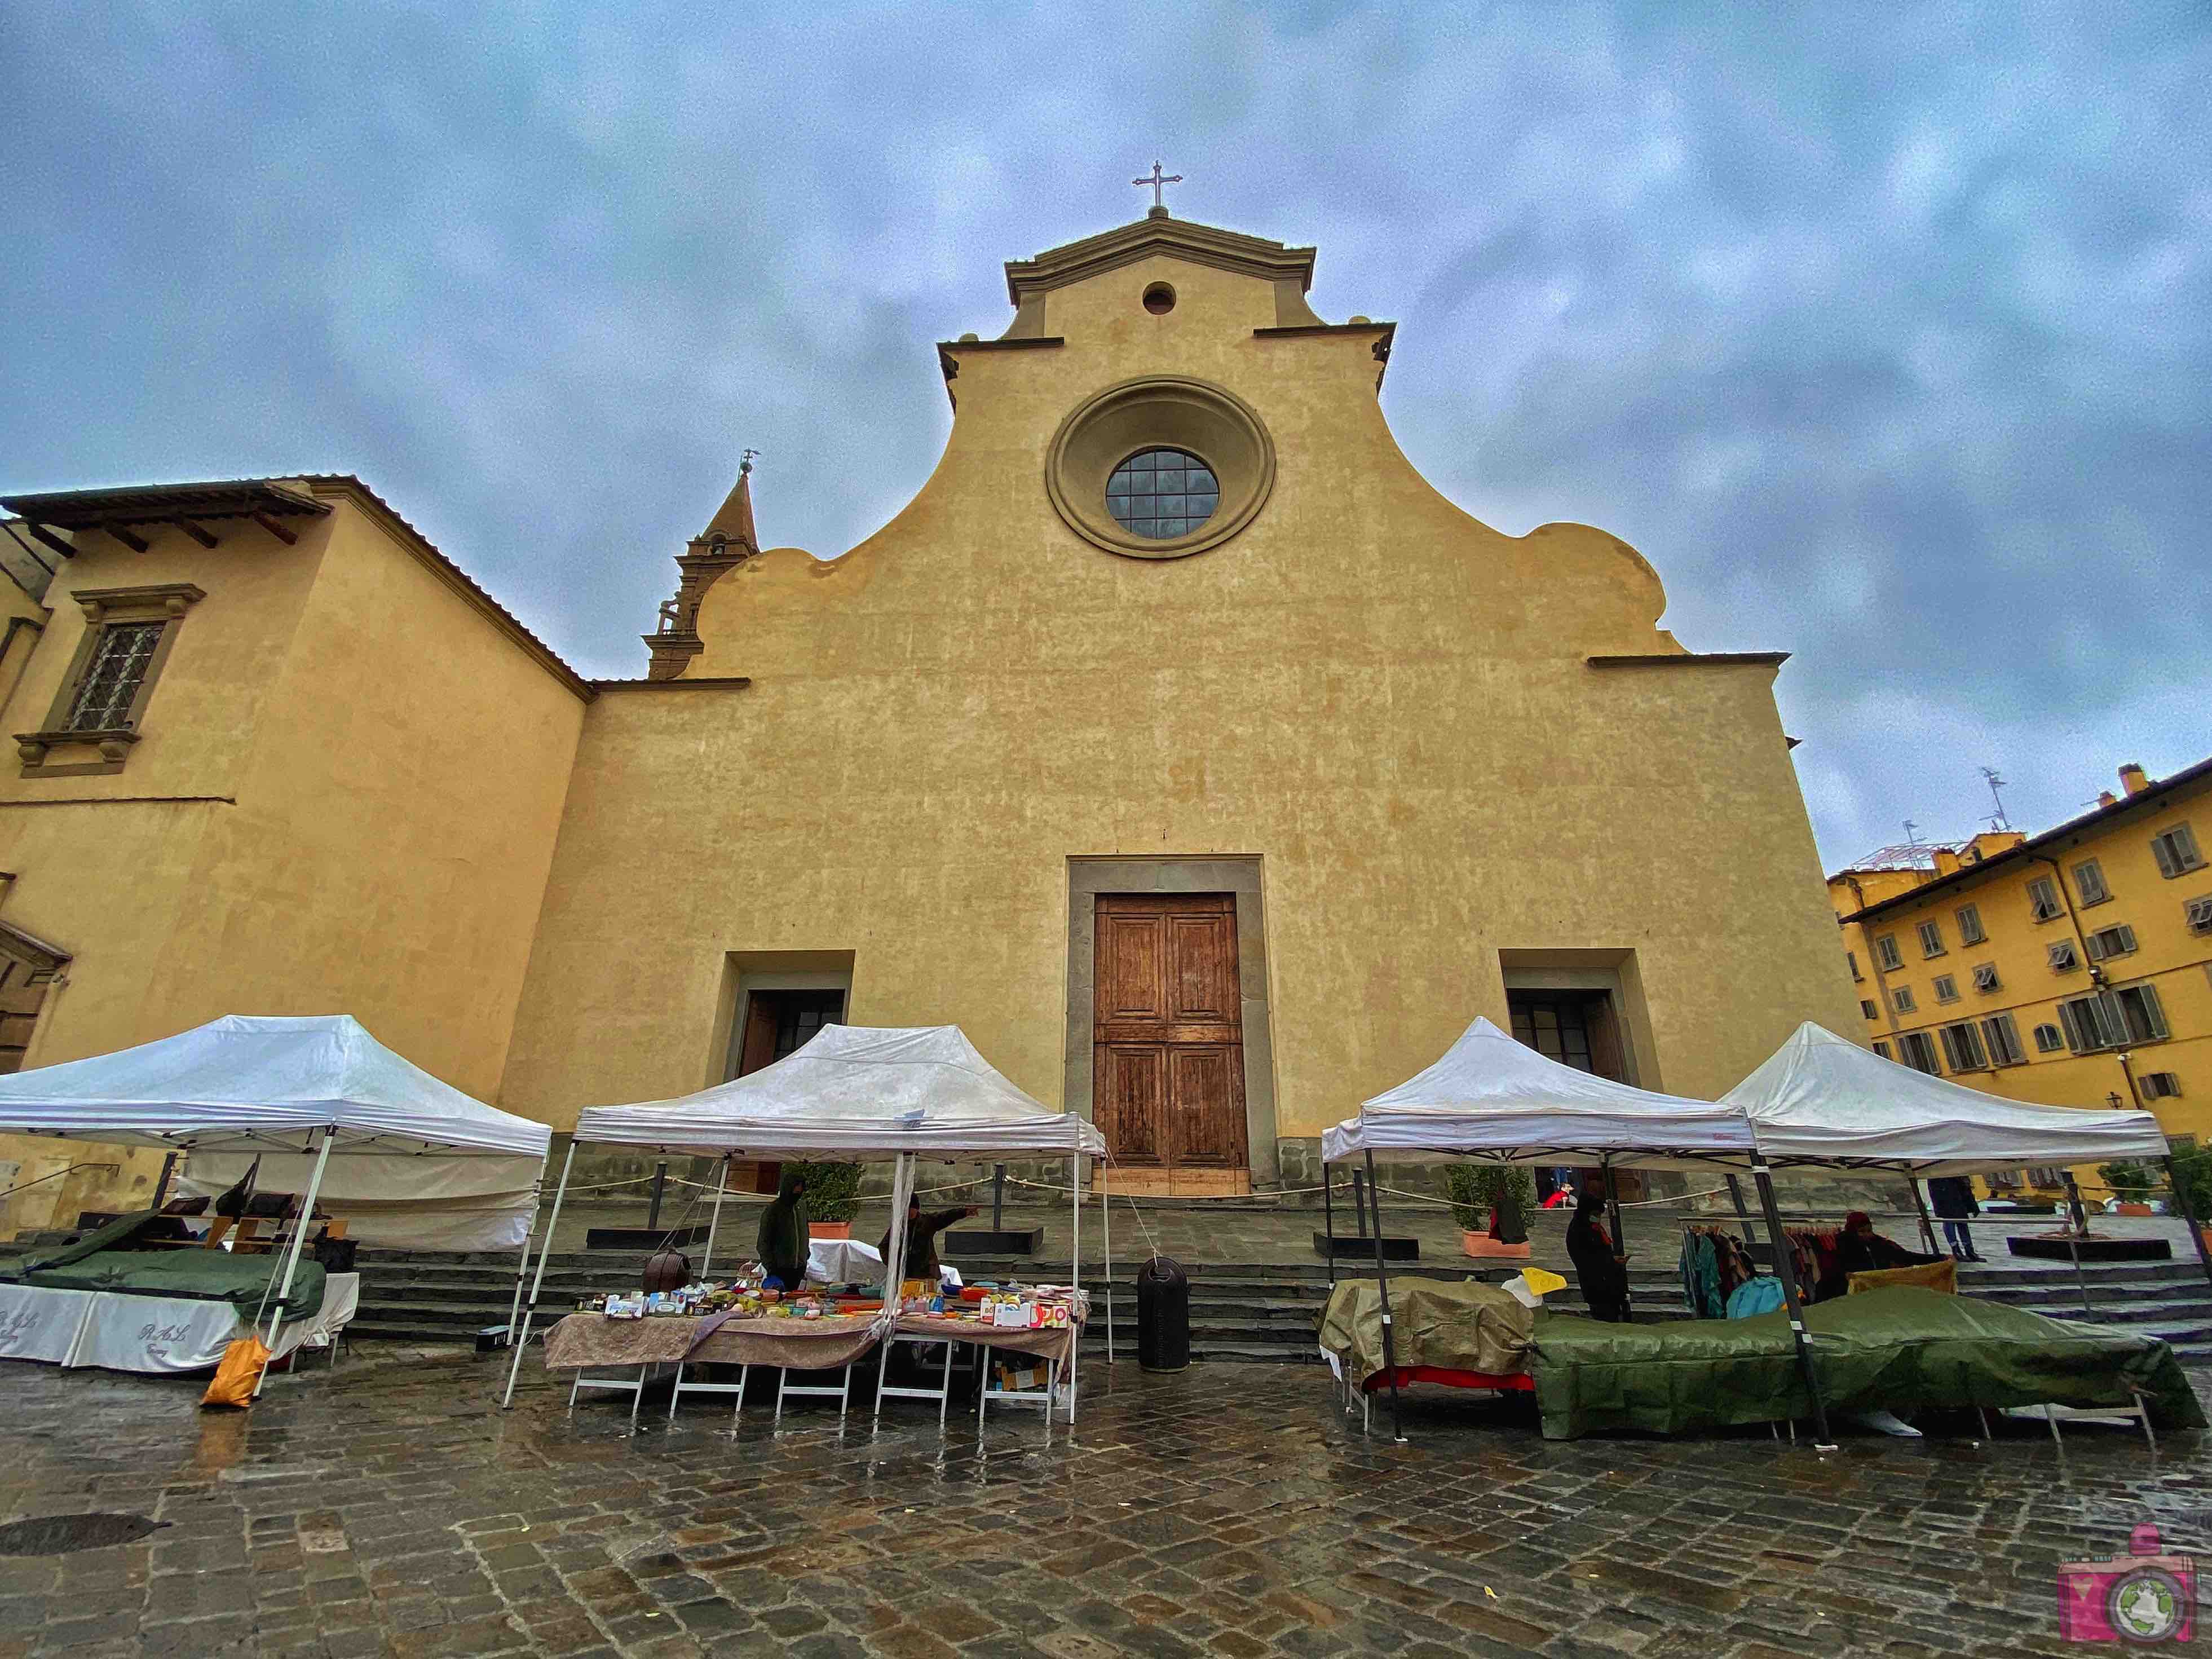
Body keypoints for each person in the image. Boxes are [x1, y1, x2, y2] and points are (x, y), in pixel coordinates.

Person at [1818, 1209, 1943, 1300]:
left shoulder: (1879, 1244)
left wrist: (1939, 1259)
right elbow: (1832, 1271)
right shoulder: (1839, 1245)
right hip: (1848, 1295)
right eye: (1862, 1232)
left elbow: (1906, 1257)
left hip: (1878, 1292)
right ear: (1852, 1231)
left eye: (1869, 1231)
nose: (1867, 1235)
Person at [1565, 1180, 1630, 1322]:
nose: (1598, 1218)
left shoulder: (1593, 1228)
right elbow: (1587, 1259)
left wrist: (1613, 1260)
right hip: (1597, 1287)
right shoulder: (1579, 1231)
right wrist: (1611, 1261)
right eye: (1595, 1214)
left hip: (1608, 1285)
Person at [878, 1199, 980, 1287]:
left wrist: (964, 1212)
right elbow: (884, 1246)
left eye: (911, 1209)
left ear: (917, 1209)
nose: (908, 1212)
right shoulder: (898, 1226)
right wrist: (893, 1264)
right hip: (905, 1273)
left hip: (927, 1272)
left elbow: (946, 1216)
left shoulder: (927, 1221)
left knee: (926, 1300)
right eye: (906, 1209)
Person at [755, 1169, 808, 1291]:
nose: (799, 1190)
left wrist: (806, 1255)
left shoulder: (801, 1207)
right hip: (779, 1269)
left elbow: (805, 1232)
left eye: (801, 1187)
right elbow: (763, 1242)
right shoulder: (773, 1210)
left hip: (799, 1268)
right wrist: (771, 1268)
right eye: (796, 1187)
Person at [1925, 1177, 1983, 1261]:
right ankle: (1957, 1251)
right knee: (1950, 1223)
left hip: (1958, 1197)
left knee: (1962, 1223)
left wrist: (1972, 1204)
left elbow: (1965, 1184)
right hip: (1946, 1198)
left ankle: (1969, 1251)